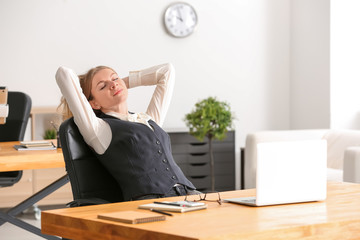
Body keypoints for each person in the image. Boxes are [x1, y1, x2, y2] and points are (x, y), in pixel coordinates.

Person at [56, 63, 199, 201]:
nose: (113, 84)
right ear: (94, 104)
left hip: (189, 194)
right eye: (103, 86)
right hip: (151, 202)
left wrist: (122, 84)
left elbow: (166, 71)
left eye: (115, 78)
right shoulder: (98, 129)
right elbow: (63, 74)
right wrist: (116, 85)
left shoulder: (147, 119)